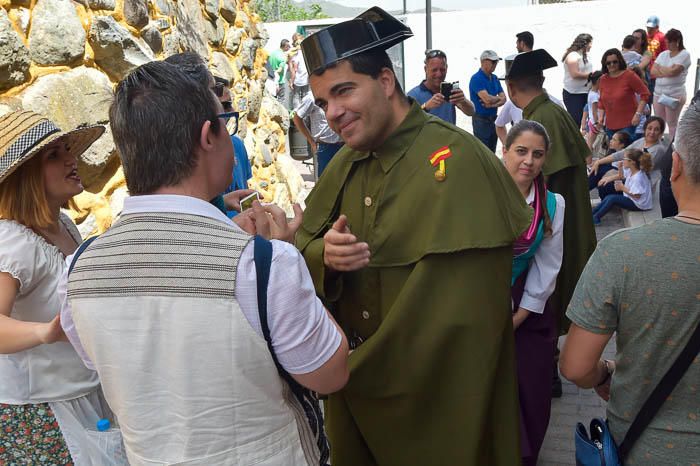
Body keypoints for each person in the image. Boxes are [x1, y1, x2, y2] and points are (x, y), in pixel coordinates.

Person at [61, 61, 350, 465]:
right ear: (207, 137)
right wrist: (287, 258)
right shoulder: (264, 265)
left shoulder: (78, 267)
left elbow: (108, 362)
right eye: (225, 122)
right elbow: (329, 373)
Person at [296, 7, 531, 465]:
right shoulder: (343, 163)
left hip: (437, 411)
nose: (333, 113)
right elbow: (301, 246)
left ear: (386, 82)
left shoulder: (459, 159)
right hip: (356, 403)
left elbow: (458, 322)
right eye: (324, 102)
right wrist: (324, 254)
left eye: (344, 91)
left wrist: (352, 372)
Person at [560, 100, 700, 464]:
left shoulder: (622, 253)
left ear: (676, 167)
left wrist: (604, 372)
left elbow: (575, 366)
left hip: (645, 447)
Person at [0, 110, 104, 464]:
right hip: (41, 411)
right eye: (54, 155)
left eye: (67, 150)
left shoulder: (62, 225)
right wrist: (47, 332)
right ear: (26, 175)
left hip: (78, 392)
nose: (71, 160)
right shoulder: (13, 242)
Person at [503, 49, 596, 396]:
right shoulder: (551, 111)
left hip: (547, 230)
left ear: (512, 89)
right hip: (555, 227)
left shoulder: (542, 118)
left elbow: (541, 187)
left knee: (547, 294)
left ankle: (548, 370)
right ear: (541, 82)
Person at [502, 120, 565, 466]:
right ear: (505, 150)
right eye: (521, 151)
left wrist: (518, 317)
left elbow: (546, 267)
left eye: (537, 154)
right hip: (476, 296)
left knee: (529, 384)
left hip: (525, 302)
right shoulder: (480, 192)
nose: (528, 161)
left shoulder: (553, 204)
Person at [407, 49, 475, 124]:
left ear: (447, 68)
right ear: (426, 69)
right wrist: (426, 107)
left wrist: (464, 101)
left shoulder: (451, 90)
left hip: (450, 135)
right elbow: (407, 122)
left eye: (442, 70)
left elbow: (471, 112)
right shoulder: (413, 95)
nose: (439, 74)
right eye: (434, 70)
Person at [591, 116, 666, 181]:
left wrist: (613, 177)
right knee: (600, 167)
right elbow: (622, 153)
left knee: (607, 186)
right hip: (628, 176)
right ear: (645, 129)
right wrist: (599, 161)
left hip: (640, 186)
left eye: (656, 130)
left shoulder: (659, 149)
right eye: (649, 128)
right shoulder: (642, 140)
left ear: (661, 133)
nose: (652, 132)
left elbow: (639, 170)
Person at [591, 148, 653, 224]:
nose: (622, 160)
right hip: (634, 199)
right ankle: (593, 213)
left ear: (632, 162)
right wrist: (620, 168)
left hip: (639, 204)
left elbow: (637, 195)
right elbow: (622, 176)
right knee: (609, 197)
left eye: (624, 159)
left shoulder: (638, 177)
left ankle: (596, 217)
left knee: (612, 199)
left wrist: (622, 188)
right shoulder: (632, 170)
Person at [598, 48, 650, 139]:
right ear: (604, 64)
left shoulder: (629, 75)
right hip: (610, 125)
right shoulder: (603, 79)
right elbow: (601, 101)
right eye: (608, 63)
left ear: (620, 61)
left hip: (628, 123)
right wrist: (600, 118)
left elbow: (645, 94)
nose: (612, 65)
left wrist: (638, 114)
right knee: (614, 151)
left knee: (625, 152)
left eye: (615, 62)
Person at [651, 28, 691, 141]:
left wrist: (661, 69)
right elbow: (653, 71)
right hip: (659, 93)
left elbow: (674, 72)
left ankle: (674, 145)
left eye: (669, 42)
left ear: (677, 41)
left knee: (672, 122)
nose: (667, 44)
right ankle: (659, 142)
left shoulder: (684, 54)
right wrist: (667, 70)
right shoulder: (663, 54)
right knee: (658, 120)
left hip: (673, 94)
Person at [293, 91, 343, 177]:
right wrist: (311, 141)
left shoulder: (337, 92)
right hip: (325, 148)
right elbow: (297, 118)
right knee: (326, 183)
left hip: (344, 146)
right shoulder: (311, 97)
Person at [469, 49, 506, 151]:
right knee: (484, 152)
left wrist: (492, 104)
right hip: (481, 120)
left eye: (496, 62)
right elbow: (487, 99)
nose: (495, 64)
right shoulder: (476, 78)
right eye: (493, 62)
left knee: (492, 150)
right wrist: (497, 99)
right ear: (484, 62)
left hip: (493, 119)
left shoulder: (495, 78)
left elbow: (504, 99)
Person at [562, 33, 594, 128]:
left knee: (586, 120)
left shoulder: (584, 56)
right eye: (590, 43)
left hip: (585, 92)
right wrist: (590, 76)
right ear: (585, 43)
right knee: (577, 121)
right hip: (574, 94)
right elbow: (574, 74)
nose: (591, 46)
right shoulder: (573, 56)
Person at [645, 14, 668, 97]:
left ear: (657, 27)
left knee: (653, 97)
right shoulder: (645, 36)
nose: (649, 30)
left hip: (655, 73)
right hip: (645, 71)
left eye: (651, 28)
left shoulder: (662, 37)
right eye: (648, 27)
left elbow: (666, 55)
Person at [583, 70, 603, 148]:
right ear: (599, 81)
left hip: (592, 122)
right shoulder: (594, 95)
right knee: (590, 145)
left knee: (591, 144)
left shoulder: (592, 92)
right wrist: (597, 123)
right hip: (595, 123)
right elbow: (594, 111)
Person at [269, 39, 291, 108]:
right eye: (289, 46)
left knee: (272, 99)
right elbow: (280, 70)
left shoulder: (273, 53)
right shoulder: (283, 57)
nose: (290, 48)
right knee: (281, 100)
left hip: (271, 80)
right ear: (285, 46)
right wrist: (277, 72)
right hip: (280, 81)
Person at [290, 32, 310, 109]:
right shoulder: (306, 53)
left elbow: (294, 70)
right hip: (306, 77)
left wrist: (291, 81)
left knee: (296, 96)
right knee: (305, 95)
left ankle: (297, 111)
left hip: (298, 79)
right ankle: (305, 111)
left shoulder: (295, 54)